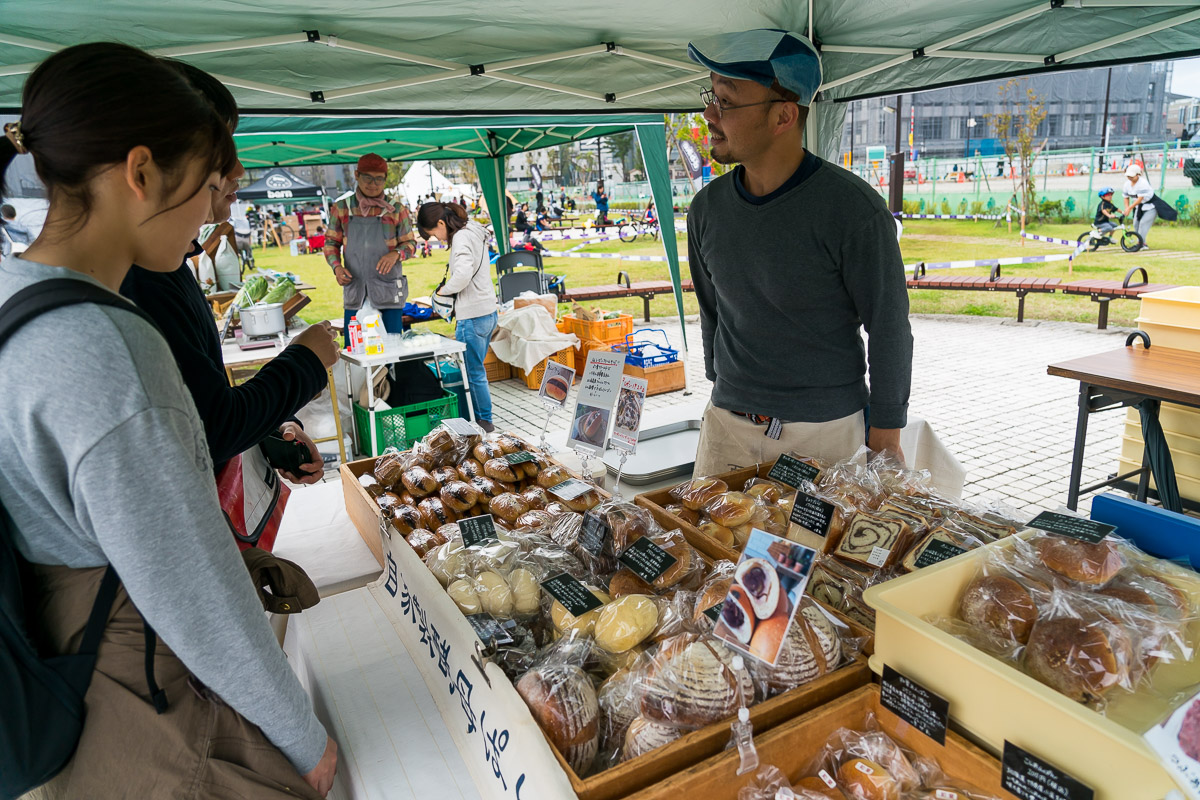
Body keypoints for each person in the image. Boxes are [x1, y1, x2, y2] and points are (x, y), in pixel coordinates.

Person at [0, 42, 337, 797]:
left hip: (58, 673)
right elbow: (189, 583)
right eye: (210, 180)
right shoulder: (103, 344)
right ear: (142, 172)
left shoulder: (17, 292)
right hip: (134, 691)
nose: (215, 208)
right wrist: (301, 739)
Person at [685, 29, 912, 475]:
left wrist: (885, 435)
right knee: (707, 543)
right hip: (728, 426)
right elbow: (712, 310)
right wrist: (726, 385)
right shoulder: (706, 209)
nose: (709, 114)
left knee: (817, 549)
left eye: (726, 101)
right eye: (710, 97)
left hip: (825, 434)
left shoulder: (853, 209)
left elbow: (888, 327)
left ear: (784, 116)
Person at [121, 61, 337, 477]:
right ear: (143, 171)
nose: (236, 172)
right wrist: (303, 362)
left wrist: (265, 429)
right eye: (217, 158)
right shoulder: (130, 288)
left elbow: (201, 405)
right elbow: (212, 429)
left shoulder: (159, 268)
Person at [419, 202, 500, 432]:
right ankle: (483, 419)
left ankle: (484, 422)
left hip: (472, 314)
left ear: (442, 223)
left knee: (474, 374)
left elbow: (463, 273)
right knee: (477, 371)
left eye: (434, 233)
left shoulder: (462, 238)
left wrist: (444, 291)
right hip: (487, 310)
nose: (437, 239)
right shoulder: (473, 229)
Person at [324, 153, 417, 340]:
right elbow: (330, 243)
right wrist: (337, 267)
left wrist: (396, 254)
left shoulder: (396, 209)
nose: (373, 184)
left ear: (385, 180)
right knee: (355, 348)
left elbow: (411, 244)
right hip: (355, 289)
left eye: (379, 179)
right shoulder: (341, 207)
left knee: (393, 345)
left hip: (388, 289)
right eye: (368, 178)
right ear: (357, 175)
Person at [1122, 163, 1156, 249]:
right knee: (1136, 224)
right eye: (1128, 176)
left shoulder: (1143, 183)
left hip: (1151, 206)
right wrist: (1127, 207)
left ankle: (1141, 244)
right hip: (1139, 207)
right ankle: (1140, 242)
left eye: (1132, 176)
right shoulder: (1127, 184)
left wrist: (1130, 208)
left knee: (1143, 223)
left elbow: (1140, 199)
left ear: (1138, 175)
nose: (1130, 178)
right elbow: (1126, 197)